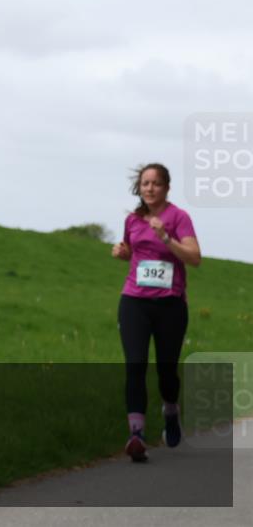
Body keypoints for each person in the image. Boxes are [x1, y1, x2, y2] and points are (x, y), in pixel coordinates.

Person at [111, 163, 201, 462]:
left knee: (166, 371)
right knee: (135, 365)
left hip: (170, 305)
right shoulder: (133, 220)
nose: (149, 188)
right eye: (145, 183)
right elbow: (135, 255)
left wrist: (166, 238)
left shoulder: (179, 218)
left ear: (166, 188)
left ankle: (171, 412)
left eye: (156, 184)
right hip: (134, 301)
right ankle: (136, 436)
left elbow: (195, 258)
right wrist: (124, 254)